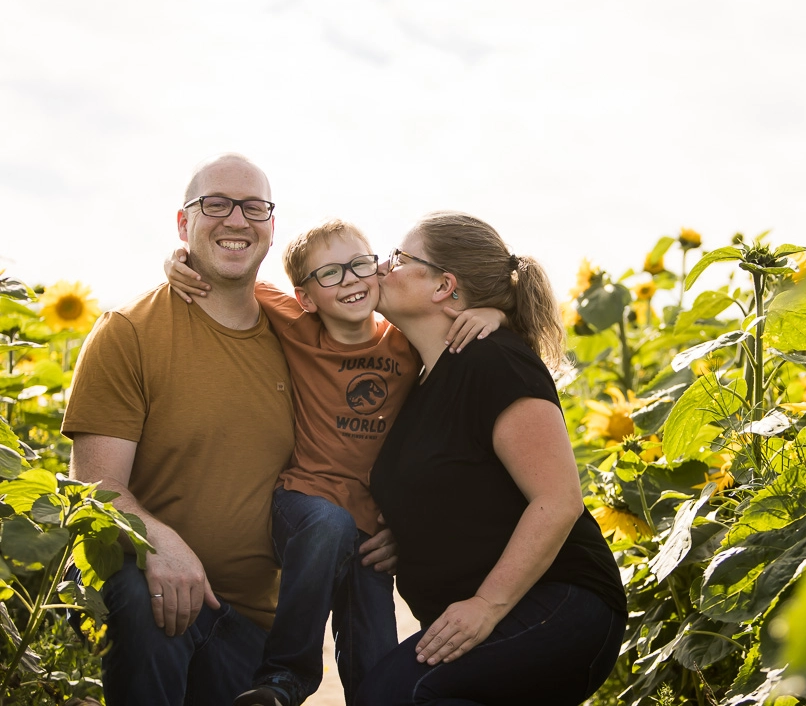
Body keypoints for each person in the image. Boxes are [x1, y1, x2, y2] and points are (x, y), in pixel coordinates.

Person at [61, 154, 397, 706]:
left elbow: (376, 417)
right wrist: (160, 544)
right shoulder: (129, 333)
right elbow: (96, 490)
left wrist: (395, 519)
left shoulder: (301, 333)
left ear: (270, 227)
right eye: (215, 205)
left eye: (254, 207)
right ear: (182, 224)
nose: (236, 220)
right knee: (143, 597)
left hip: (254, 623)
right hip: (155, 591)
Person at [165, 219, 505, 706]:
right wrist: (176, 262)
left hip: (370, 521)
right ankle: (286, 677)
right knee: (329, 523)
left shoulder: (405, 342)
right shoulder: (293, 323)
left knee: (373, 656)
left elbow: (464, 313)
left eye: (358, 265)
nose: (348, 279)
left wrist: (495, 313)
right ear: (305, 296)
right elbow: (222, 275)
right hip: (304, 503)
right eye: (329, 274)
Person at [361, 212, 627, 705]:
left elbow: (558, 499)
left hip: (559, 602)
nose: (382, 265)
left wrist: (487, 604)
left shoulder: (494, 361)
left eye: (399, 258)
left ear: (444, 285)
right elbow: (462, 485)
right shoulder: (422, 382)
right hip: (495, 611)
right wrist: (409, 532)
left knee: (395, 694)